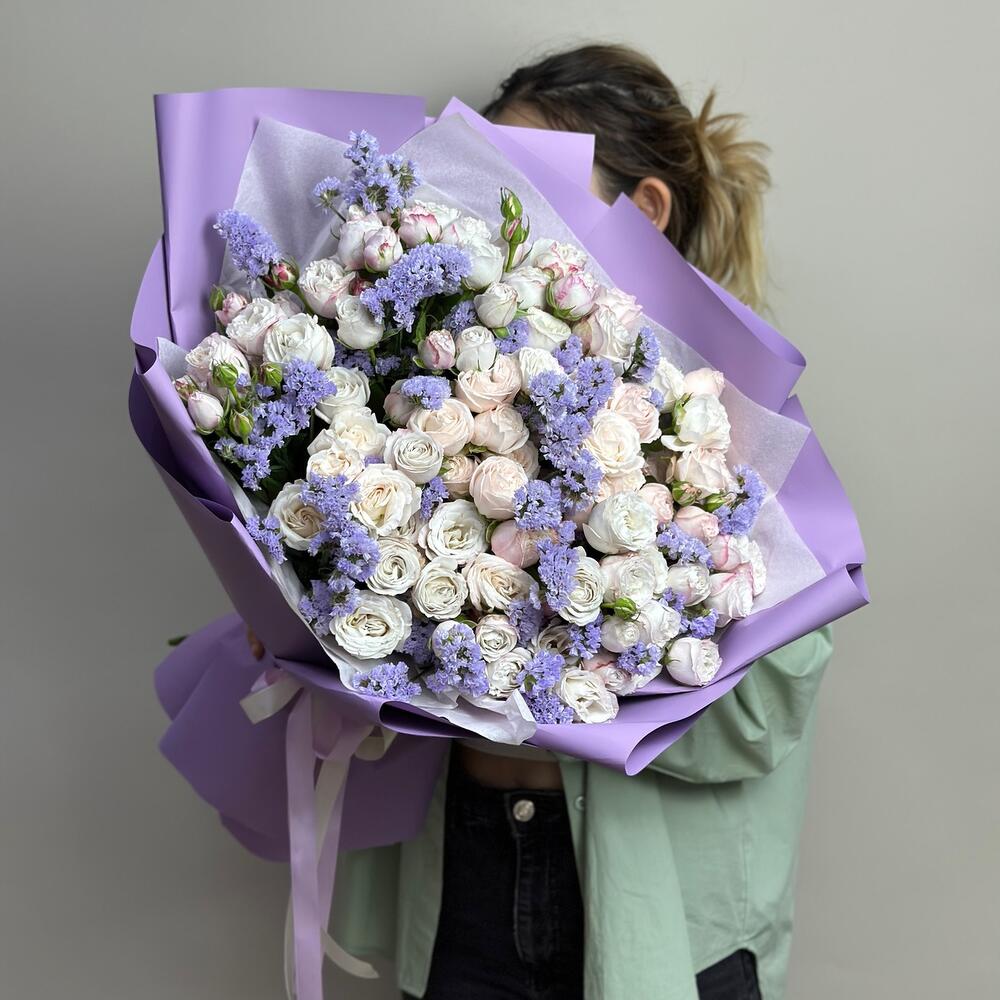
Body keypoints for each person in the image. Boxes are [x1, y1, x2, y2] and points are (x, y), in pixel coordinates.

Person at [256, 44, 834, 1000]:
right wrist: (315, 617)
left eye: (520, 177)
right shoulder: (439, 388)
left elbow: (762, 719)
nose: (483, 211)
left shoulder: (727, 425)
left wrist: (582, 662)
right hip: (466, 880)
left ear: (645, 209)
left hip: (665, 917)